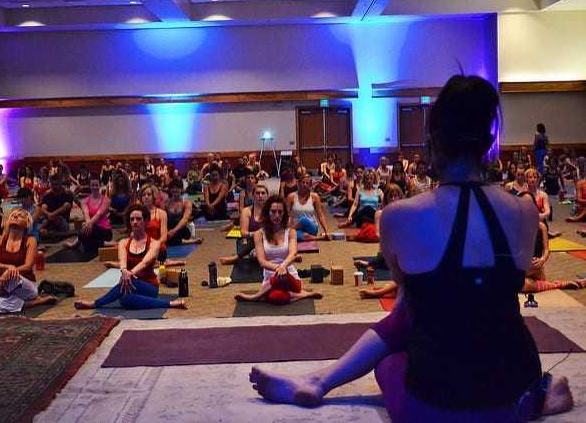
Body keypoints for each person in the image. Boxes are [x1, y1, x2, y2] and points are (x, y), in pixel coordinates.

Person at [248, 75, 574, 420]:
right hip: (515, 387)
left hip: (434, 403)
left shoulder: (399, 216)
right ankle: (536, 401)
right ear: (491, 140)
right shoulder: (524, 211)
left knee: (391, 354)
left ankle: (319, 380)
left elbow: (406, 301)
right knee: (469, 302)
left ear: (432, 142)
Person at [74, 204, 186, 310]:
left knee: (125, 283)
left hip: (149, 286)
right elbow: (122, 260)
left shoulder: (154, 243)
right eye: (132, 219)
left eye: (138, 219)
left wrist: (129, 274)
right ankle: (171, 304)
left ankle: (95, 303)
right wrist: (124, 271)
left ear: (146, 221)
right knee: (125, 299)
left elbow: (145, 263)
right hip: (128, 282)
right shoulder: (123, 242)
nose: (135, 222)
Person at [234, 195, 322, 304]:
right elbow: (261, 261)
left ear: (284, 214)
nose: (277, 216)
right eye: (273, 212)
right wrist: (278, 268)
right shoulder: (259, 234)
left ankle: (254, 297)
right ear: (267, 213)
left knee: (281, 278)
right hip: (270, 281)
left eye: (280, 212)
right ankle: (304, 294)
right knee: (277, 297)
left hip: (290, 279)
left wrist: (283, 267)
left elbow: (293, 253)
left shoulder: (291, 232)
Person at [219, 183, 269, 265]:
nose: (260, 196)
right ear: (253, 196)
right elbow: (243, 232)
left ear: (267, 195)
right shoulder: (247, 211)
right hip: (254, 246)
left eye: (263, 193)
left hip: (270, 243)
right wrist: (257, 234)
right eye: (257, 193)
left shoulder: (272, 210)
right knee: (255, 254)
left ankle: (236, 257)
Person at [63, 175, 113, 251]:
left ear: (100, 185)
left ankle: (74, 244)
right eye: (92, 185)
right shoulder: (85, 201)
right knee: (86, 243)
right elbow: (86, 213)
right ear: (89, 186)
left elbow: (98, 214)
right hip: (90, 230)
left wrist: (89, 223)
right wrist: (88, 222)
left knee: (85, 232)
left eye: (96, 185)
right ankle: (105, 244)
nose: (95, 187)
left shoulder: (106, 200)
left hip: (104, 230)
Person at [286, 173, 332, 241]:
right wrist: (286, 226)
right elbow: (285, 215)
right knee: (296, 236)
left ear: (310, 185)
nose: (304, 185)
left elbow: (320, 215)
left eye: (307, 183)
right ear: (299, 183)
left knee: (303, 220)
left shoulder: (315, 197)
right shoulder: (291, 196)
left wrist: (326, 231)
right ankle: (319, 238)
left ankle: (287, 232)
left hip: (311, 227)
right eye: (303, 182)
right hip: (296, 227)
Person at [165, 179, 202, 246]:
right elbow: (162, 218)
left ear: (181, 189)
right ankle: (189, 241)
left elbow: (185, 219)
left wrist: (173, 231)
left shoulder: (187, 203)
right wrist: (166, 231)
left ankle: (188, 241)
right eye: (173, 187)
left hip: (181, 229)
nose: (174, 189)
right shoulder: (166, 202)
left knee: (171, 237)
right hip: (169, 229)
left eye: (177, 188)